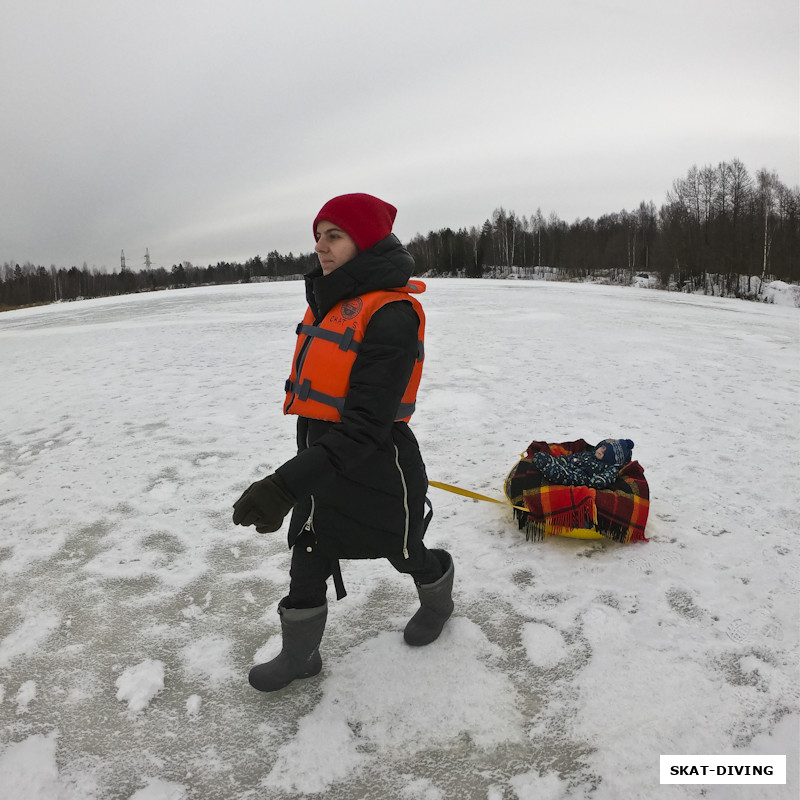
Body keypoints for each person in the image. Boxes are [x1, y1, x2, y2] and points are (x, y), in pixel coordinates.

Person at [232, 193, 454, 692]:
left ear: (366, 240)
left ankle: (438, 597)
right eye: (318, 236)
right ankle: (299, 654)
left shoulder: (391, 315)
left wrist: (283, 485)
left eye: (334, 236)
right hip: (321, 458)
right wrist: (301, 476)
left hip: (378, 464)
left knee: (404, 550)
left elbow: (365, 427)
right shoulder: (333, 303)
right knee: (309, 549)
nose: (321, 247)